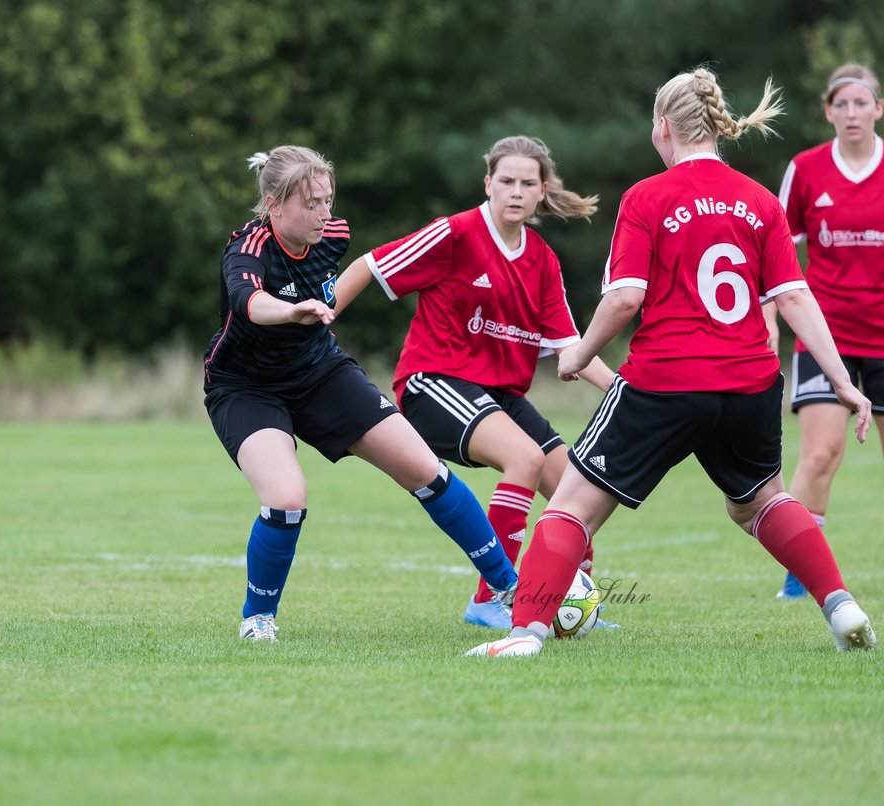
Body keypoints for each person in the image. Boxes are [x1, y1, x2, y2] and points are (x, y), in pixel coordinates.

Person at [465, 67, 877, 658]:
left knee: (571, 508)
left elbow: (627, 297)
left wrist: (580, 352)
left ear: (662, 128)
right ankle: (842, 606)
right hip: (749, 382)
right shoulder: (760, 200)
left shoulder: (647, 197)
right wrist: (844, 383)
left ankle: (524, 633)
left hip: (667, 381)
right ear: (715, 126)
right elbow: (793, 298)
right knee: (761, 501)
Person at [204, 144, 519, 642]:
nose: (325, 215)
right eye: (311, 204)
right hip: (246, 387)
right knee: (286, 498)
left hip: (320, 372)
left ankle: (509, 591)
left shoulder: (332, 235)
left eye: (328, 200)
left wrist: (320, 311)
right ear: (272, 205)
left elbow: (363, 268)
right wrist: (291, 311)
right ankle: (257, 621)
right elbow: (252, 303)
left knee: (425, 470)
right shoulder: (247, 250)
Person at [334, 135, 617, 630]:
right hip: (433, 383)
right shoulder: (454, 235)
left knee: (575, 490)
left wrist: (624, 392)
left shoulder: (543, 261)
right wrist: (318, 320)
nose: (516, 191)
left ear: (542, 190)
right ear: (487, 183)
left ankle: (579, 608)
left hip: (500, 396)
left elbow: (570, 351)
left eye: (528, 183)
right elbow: (369, 266)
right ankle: (491, 599)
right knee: (524, 458)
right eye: (506, 180)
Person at [770, 63, 884, 600]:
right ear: (828, 111)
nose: (853, 113)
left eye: (863, 103)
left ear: (877, 109)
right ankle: (801, 574)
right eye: (843, 104)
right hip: (825, 336)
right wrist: (769, 317)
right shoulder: (806, 169)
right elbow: (775, 250)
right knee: (819, 455)